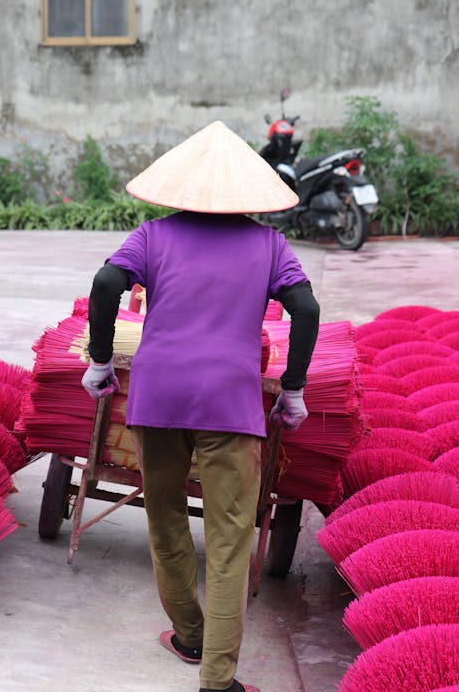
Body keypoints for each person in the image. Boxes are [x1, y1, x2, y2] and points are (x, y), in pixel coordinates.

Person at [81, 121, 320, 692]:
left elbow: (105, 282)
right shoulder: (268, 245)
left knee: (164, 521)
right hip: (229, 407)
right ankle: (217, 680)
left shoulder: (152, 236)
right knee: (230, 536)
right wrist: (292, 388)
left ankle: (189, 634)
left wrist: (99, 360)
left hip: (157, 397)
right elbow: (306, 310)